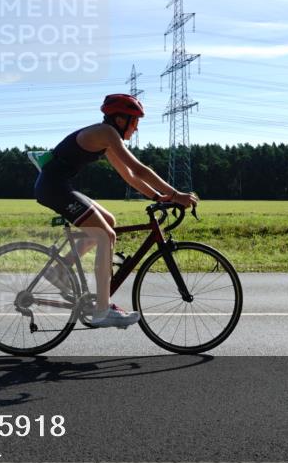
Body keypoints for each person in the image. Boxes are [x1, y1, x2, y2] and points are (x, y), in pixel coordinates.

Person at [34, 93, 199, 328]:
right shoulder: (107, 134)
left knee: (108, 222)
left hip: (57, 185)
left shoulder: (106, 138)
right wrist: (176, 195)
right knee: (105, 236)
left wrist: (157, 196)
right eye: (135, 122)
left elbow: (129, 175)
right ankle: (102, 310)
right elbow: (139, 169)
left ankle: (60, 270)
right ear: (121, 120)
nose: (136, 129)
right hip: (53, 188)